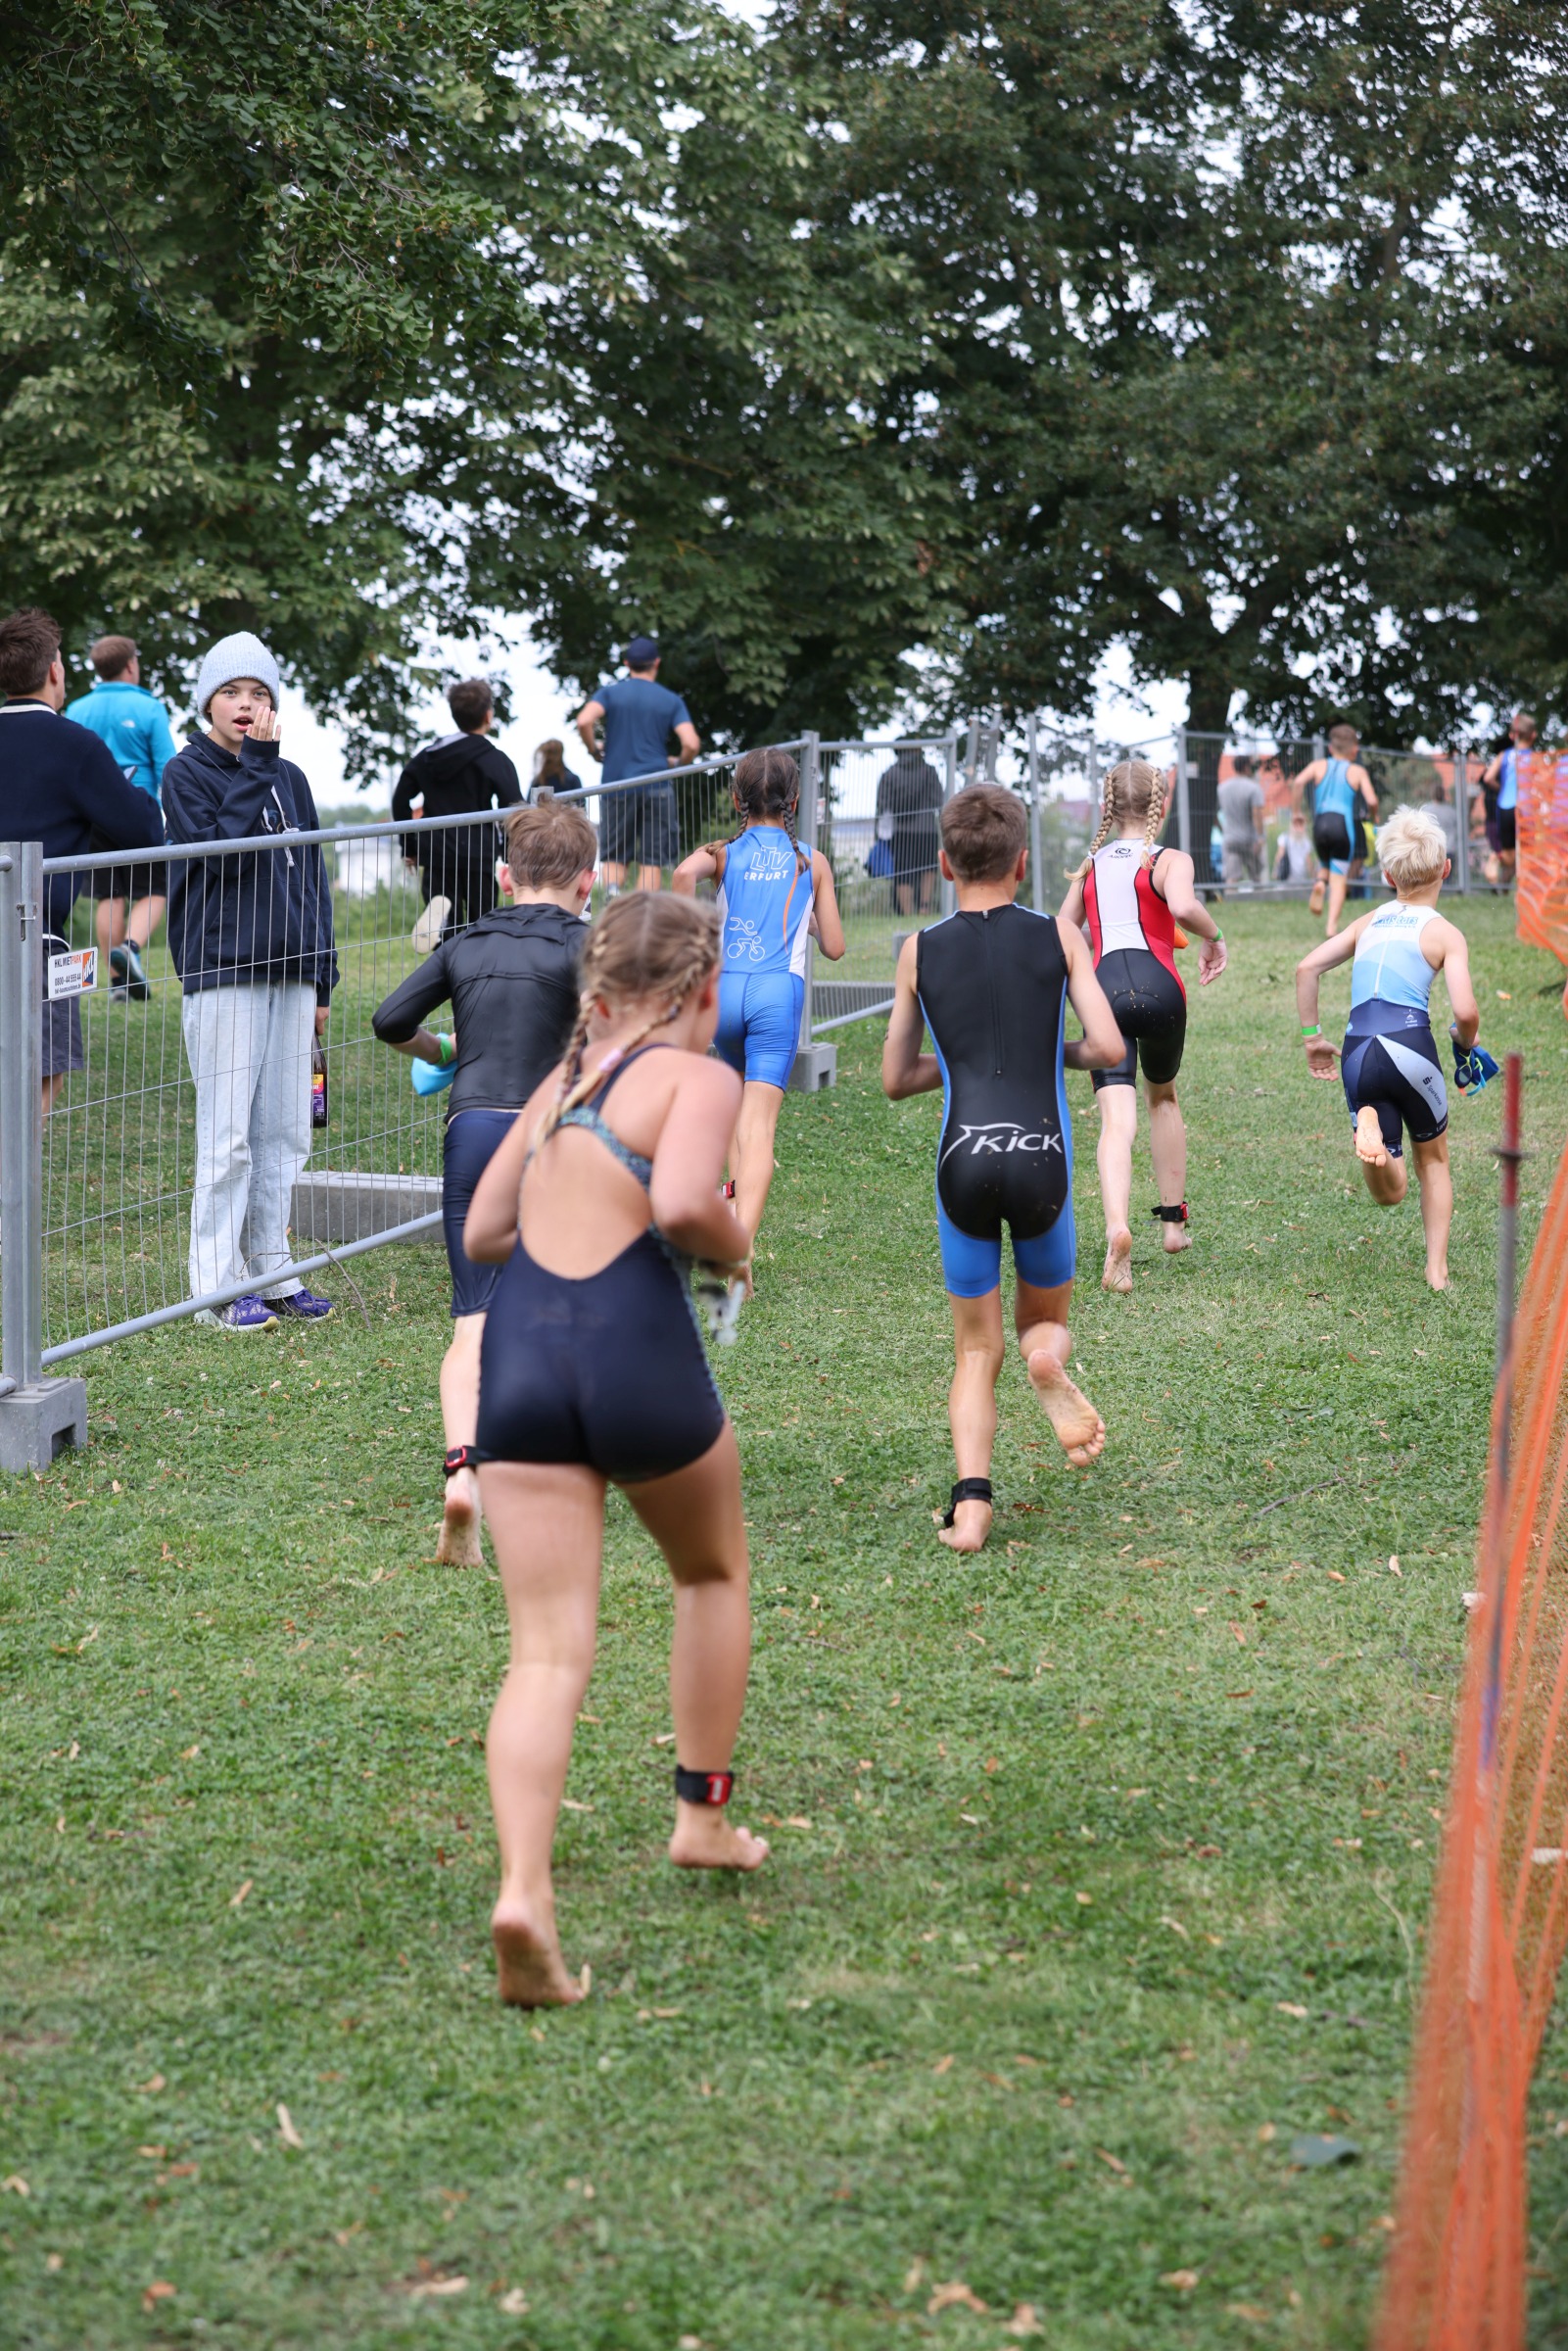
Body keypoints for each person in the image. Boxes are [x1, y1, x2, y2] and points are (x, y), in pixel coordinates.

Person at [461, 892, 762, 2005]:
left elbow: (485, 1231)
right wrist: (733, 1245)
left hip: (521, 1366)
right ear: (701, 991)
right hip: (632, 1353)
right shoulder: (696, 1076)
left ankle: (523, 1894)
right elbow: (683, 1203)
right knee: (709, 1573)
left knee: (544, 1655)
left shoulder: (559, 1087)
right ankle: (700, 1818)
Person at [881, 784, 1124, 1557]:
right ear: (1022, 863)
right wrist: (1044, 1051)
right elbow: (1109, 1047)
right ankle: (1045, 1356)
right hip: (1041, 1156)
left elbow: (895, 1077)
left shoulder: (918, 949)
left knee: (973, 1351)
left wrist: (963, 1064)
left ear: (943, 864)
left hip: (962, 1158)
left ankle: (972, 1509)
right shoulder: (1058, 935)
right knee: (1039, 1322)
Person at [372, 800, 595, 1565]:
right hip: (552, 1132)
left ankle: (463, 1472)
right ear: (587, 884)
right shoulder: (590, 943)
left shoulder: (465, 940)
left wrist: (443, 1051)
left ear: (504, 877)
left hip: (471, 1132)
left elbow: (388, 1019)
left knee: (474, 1319)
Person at [162, 632, 338, 1330]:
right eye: (231, 691)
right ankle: (216, 1287)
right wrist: (256, 765)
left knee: (287, 1132)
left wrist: (323, 978)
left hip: (291, 974)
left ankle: (272, 1270)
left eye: (259, 693)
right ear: (208, 701)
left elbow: (313, 880)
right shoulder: (186, 773)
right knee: (228, 1134)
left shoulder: (291, 778)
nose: (245, 704)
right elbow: (225, 855)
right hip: (224, 971)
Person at [1059, 760, 1227, 1295]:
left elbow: (1063, 930)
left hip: (1104, 994)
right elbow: (1183, 906)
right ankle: (1173, 1226)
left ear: (1107, 805)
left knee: (1117, 1120)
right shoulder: (1169, 859)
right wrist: (1214, 937)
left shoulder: (1090, 864)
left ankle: (1118, 1228)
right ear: (1162, 802)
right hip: (1163, 990)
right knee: (1164, 1097)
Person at [1295, 806, 1479, 1292]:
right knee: (1433, 1160)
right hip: (1411, 1045)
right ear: (1446, 868)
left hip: (1358, 1050)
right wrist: (1465, 1040)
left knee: (1389, 1192)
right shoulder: (1444, 933)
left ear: (1387, 875)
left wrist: (1313, 1038)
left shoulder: (1367, 922)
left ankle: (1369, 1124)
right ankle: (1436, 1271)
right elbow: (1465, 1010)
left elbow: (1306, 969)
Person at [673, 747, 845, 1241]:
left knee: (734, 1119)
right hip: (776, 996)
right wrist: (809, 923)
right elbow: (835, 947)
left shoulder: (721, 853)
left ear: (736, 800)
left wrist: (692, 945)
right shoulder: (811, 860)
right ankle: (738, 1252)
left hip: (724, 995)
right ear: (794, 800)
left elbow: (682, 876)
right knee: (758, 1129)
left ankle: (729, 1215)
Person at [0, 607, 165, 1115]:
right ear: (54, 671)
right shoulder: (75, 746)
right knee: (41, 1074)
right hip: (33, 935)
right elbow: (143, 829)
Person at [64, 634, 177, 998]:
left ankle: (117, 984)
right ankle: (130, 948)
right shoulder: (149, 707)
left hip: (94, 813)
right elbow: (168, 768)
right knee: (156, 889)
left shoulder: (77, 709)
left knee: (108, 894)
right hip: (138, 808)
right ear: (130, 665)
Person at [392, 678, 522, 950]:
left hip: (436, 853)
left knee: (446, 929)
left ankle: (443, 938)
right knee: (481, 924)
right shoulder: (495, 759)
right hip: (478, 854)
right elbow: (513, 808)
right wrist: (510, 854)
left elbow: (400, 799)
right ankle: (475, 963)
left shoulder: (428, 756)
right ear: (488, 716)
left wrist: (410, 847)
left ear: (454, 714)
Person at [577, 636, 700, 892]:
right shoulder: (670, 700)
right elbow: (690, 743)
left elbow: (584, 721)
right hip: (657, 785)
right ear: (656, 663)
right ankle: (644, 913)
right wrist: (678, 763)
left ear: (627, 663)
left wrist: (593, 751)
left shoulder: (610, 693)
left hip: (617, 786)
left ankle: (613, 898)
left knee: (615, 855)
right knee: (652, 861)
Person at [1290, 722, 1379, 935]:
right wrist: (1374, 817)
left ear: (1330, 748)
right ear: (1355, 750)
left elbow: (1298, 782)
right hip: (1342, 827)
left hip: (1320, 824)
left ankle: (1321, 882)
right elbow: (1372, 800)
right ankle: (1331, 927)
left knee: (1325, 862)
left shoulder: (1318, 765)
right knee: (1339, 878)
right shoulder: (1357, 771)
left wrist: (1296, 813)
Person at [873, 743, 944, 915]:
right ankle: (924, 908)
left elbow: (882, 804)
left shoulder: (890, 773)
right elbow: (938, 800)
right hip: (927, 829)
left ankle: (907, 914)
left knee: (903, 873)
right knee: (928, 868)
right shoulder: (929, 771)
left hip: (900, 831)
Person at [1480, 711, 1536, 889]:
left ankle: (1496, 858)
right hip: (1525, 808)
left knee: (1509, 855)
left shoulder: (1504, 755)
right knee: (1529, 851)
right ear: (1533, 735)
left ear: (1512, 735)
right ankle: (1526, 888)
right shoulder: (1535, 758)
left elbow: (1488, 778)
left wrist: (1502, 788)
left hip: (1504, 807)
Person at [1217, 753, 1264, 888]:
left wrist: (1223, 831)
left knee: (1232, 878)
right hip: (1250, 840)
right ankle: (1260, 898)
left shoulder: (1222, 788)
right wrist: (1260, 837)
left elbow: (1214, 814)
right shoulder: (1253, 788)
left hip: (1230, 839)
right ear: (1246, 767)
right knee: (1256, 876)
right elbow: (1257, 814)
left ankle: (1229, 898)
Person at [530, 738, 582, 802]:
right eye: (546, 753)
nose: (549, 757)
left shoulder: (571, 780)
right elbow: (529, 804)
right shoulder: (538, 782)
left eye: (551, 753)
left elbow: (580, 804)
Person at [1419, 776, 1459, 858]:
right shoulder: (1451, 811)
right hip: (1449, 848)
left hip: (1432, 850)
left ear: (1432, 794)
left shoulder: (1425, 810)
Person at [1275, 809, 1315, 885]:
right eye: (1296, 824)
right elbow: (1280, 854)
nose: (1298, 827)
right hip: (1287, 879)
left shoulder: (1306, 842)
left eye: (1300, 824)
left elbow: (1308, 860)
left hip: (1301, 880)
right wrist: (1277, 870)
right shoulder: (1284, 838)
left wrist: (1313, 877)